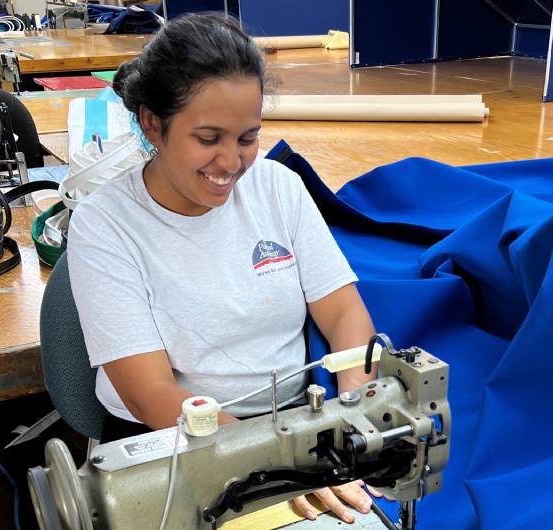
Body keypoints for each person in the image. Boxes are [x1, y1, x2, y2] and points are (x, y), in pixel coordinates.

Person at [66, 13, 379, 524]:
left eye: (247, 137)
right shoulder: (106, 226)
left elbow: (345, 316)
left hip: (291, 426)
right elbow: (152, 394)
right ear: (152, 123)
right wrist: (277, 464)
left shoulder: (278, 188)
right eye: (208, 138)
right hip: (173, 440)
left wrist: (352, 416)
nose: (231, 163)